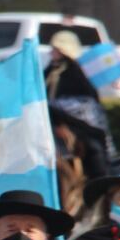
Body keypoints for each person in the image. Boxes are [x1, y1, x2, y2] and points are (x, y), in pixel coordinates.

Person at [45, 29, 112, 179]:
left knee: (94, 147)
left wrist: (65, 122)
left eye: (55, 49)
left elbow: (88, 106)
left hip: (77, 127)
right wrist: (55, 123)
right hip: (49, 125)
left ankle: (100, 184)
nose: (51, 53)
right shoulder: (48, 72)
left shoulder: (79, 72)